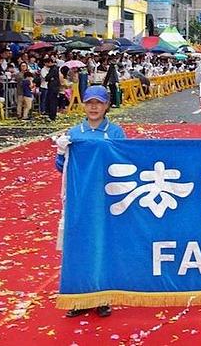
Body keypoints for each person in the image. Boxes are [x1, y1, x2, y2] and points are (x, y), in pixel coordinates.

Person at [54, 85, 127, 319]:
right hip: (80, 201)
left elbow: (125, 163)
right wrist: (61, 152)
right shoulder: (75, 133)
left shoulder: (115, 133)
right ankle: (79, 297)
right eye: (89, 103)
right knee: (79, 249)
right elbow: (61, 168)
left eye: (99, 102)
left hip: (106, 201)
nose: (94, 107)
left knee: (104, 248)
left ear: (106, 106)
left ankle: (103, 297)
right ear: (83, 105)